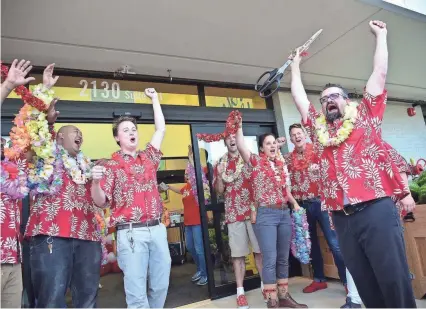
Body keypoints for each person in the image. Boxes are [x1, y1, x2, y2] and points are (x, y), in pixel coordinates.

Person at [290, 20, 416, 308]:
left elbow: (380, 73)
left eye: (334, 96)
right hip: (342, 218)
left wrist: (381, 35)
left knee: (393, 279)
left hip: (376, 209)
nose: (328, 101)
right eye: (323, 99)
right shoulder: (317, 132)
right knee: (365, 282)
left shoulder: (367, 117)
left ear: (347, 101)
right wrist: (295, 64)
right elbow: (299, 99)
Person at [91, 88, 171, 308]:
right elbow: (101, 201)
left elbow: (161, 129)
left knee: (161, 284)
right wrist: (95, 183)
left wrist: (155, 99)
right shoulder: (111, 165)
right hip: (131, 232)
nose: (131, 132)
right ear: (117, 137)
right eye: (126, 130)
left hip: (156, 229)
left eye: (134, 129)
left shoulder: (149, 157)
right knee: (136, 293)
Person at [234, 115, 307, 308]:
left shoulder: (281, 165)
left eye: (274, 143)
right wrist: (239, 127)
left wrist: (294, 204)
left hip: (284, 212)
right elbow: (241, 146)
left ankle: (284, 297)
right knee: (270, 259)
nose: (273, 146)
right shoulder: (256, 162)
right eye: (268, 143)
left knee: (283, 258)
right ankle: (271, 300)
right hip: (266, 214)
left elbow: (285, 190)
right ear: (261, 148)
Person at [284, 123, 347, 293]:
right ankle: (319, 279)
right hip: (302, 206)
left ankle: (348, 282)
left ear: (304, 134)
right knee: (310, 245)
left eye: (299, 133)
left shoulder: (318, 152)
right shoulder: (288, 159)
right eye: (293, 134)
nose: (297, 136)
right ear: (290, 139)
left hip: (322, 202)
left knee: (334, 242)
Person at [213, 133, 264, 308]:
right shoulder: (220, 163)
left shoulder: (250, 157)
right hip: (234, 213)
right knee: (237, 255)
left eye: (235, 137)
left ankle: (266, 286)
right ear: (225, 141)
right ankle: (240, 292)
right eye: (229, 138)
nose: (232, 140)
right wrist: (219, 176)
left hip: (253, 212)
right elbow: (219, 191)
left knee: (259, 252)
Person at [164, 147, 208, 286]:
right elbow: (179, 190)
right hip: (188, 222)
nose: (186, 174)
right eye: (186, 172)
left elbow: (200, 173)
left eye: (188, 171)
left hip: (198, 221)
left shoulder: (196, 184)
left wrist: (191, 159)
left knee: (200, 249)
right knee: (190, 247)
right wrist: (169, 187)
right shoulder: (187, 186)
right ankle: (201, 270)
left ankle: (206, 274)